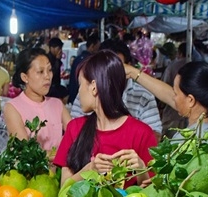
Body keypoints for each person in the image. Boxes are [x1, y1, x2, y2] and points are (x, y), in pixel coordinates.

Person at [54, 50, 157, 187]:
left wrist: (141, 168)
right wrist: (90, 169)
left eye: (81, 85)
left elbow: (152, 195)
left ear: (94, 87)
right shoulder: (75, 128)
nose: (79, 92)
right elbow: (64, 189)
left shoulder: (142, 133)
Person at [72, 40, 162, 139]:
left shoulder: (143, 95)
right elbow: (74, 133)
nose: (111, 74)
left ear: (128, 66)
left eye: (117, 67)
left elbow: (155, 136)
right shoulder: (87, 92)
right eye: (105, 68)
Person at [124, 60, 208, 137]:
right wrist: (133, 72)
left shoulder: (185, 142)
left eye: (176, 93)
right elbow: (169, 95)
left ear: (190, 100)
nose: (174, 97)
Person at [3, 48, 71, 153]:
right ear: (25, 77)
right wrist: (60, 152)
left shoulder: (57, 104)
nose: (47, 76)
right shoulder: (12, 108)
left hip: (61, 168)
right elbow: (26, 153)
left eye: (49, 70)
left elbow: (75, 136)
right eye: (40, 72)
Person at [67, 34, 100, 104]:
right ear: (92, 47)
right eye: (98, 48)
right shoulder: (90, 61)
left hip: (74, 96)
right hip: (82, 99)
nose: (98, 51)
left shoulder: (77, 59)